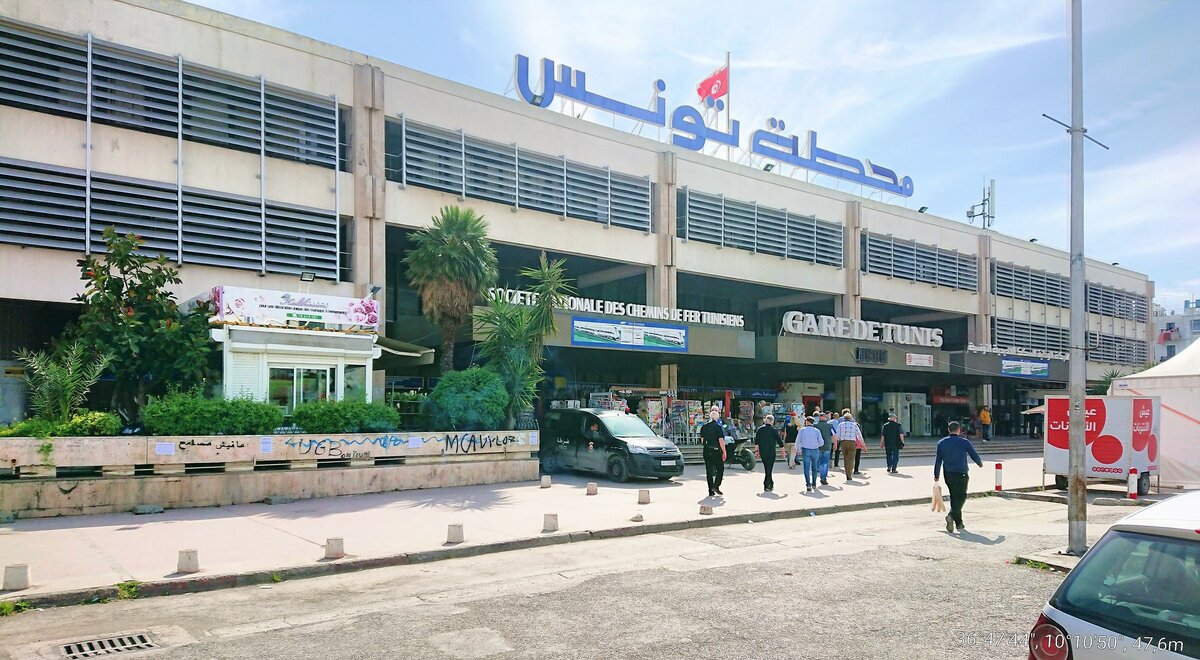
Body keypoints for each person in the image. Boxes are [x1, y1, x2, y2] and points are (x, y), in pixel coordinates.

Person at [934, 420, 983, 533]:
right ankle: (951, 515)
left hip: (948, 474)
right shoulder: (964, 442)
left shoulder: (941, 443)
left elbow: (938, 460)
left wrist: (936, 475)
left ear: (948, 430)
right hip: (961, 473)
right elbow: (973, 454)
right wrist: (979, 463)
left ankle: (959, 523)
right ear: (959, 430)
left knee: (954, 497)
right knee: (961, 497)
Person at [700, 408, 727, 497]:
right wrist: (724, 451)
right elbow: (721, 440)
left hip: (707, 451)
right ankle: (716, 485)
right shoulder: (718, 427)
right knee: (720, 469)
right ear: (717, 418)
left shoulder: (704, 427)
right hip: (716, 451)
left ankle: (710, 490)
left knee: (709, 471)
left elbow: (702, 440)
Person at [754, 414, 782, 492]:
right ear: (772, 421)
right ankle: (768, 484)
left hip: (763, 452)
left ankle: (769, 483)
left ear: (765, 420)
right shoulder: (774, 430)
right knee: (769, 469)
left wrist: (756, 451)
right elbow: (780, 442)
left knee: (767, 468)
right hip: (771, 452)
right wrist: (783, 452)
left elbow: (757, 442)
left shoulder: (760, 429)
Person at [833, 413, 864, 482]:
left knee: (846, 458)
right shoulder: (854, 425)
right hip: (852, 442)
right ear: (851, 418)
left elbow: (837, 436)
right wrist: (864, 446)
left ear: (844, 418)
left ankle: (847, 472)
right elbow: (859, 436)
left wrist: (835, 444)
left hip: (843, 442)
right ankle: (849, 472)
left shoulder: (840, 425)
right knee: (851, 458)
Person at [797, 416, 823, 492]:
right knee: (814, 467)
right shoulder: (817, 431)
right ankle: (814, 483)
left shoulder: (802, 430)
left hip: (806, 450)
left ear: (807, 422)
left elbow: (798, 440)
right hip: (815, 449)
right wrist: (817, 444)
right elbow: (821, 442)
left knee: (806, 468)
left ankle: (808, 484)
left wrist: (798, 449)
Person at [814, 411, 834, 486]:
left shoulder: (815, 426)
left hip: (817, 447)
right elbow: (834, 435)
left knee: (816, 462)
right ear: (825, 418)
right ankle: (823, 478)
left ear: (819, 418)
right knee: (825, 463)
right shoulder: (830, 426)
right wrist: (835, 444)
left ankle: (814, 479)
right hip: (827, 446)